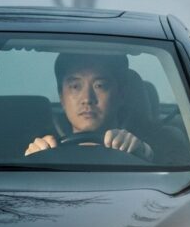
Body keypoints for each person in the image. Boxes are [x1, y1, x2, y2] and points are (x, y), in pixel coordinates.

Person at [25, 53, 154, 160]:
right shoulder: (39, 146)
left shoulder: (153, 144)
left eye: (100, 85)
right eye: (75, 86)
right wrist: (31, 163)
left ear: (121, 94)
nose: (87, 99)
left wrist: (143, 154)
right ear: (61, 97)